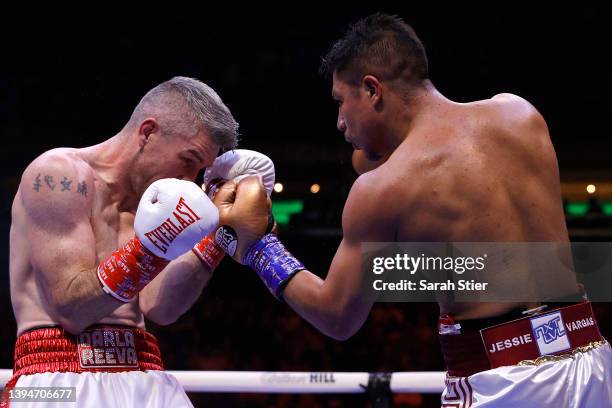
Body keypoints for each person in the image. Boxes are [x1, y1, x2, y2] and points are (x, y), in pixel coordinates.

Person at [215, 13, 612, 407]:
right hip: (590, 359)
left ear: (372, 90)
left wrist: (260, 248)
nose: (338, 122)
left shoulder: (384, 189)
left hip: (503, 381)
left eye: (340, 102)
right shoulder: (519, 114)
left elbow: (336, 316)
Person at [5, 76, 240, 407]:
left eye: (200, 170)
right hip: (58, 376)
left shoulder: (154, 205)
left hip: (145, 371)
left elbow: (161, 307)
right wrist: (152, 249)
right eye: (187, 161)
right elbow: (72, 309)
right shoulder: (59, 176)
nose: (190, 181)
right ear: (147, 132)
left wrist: (218, 234)